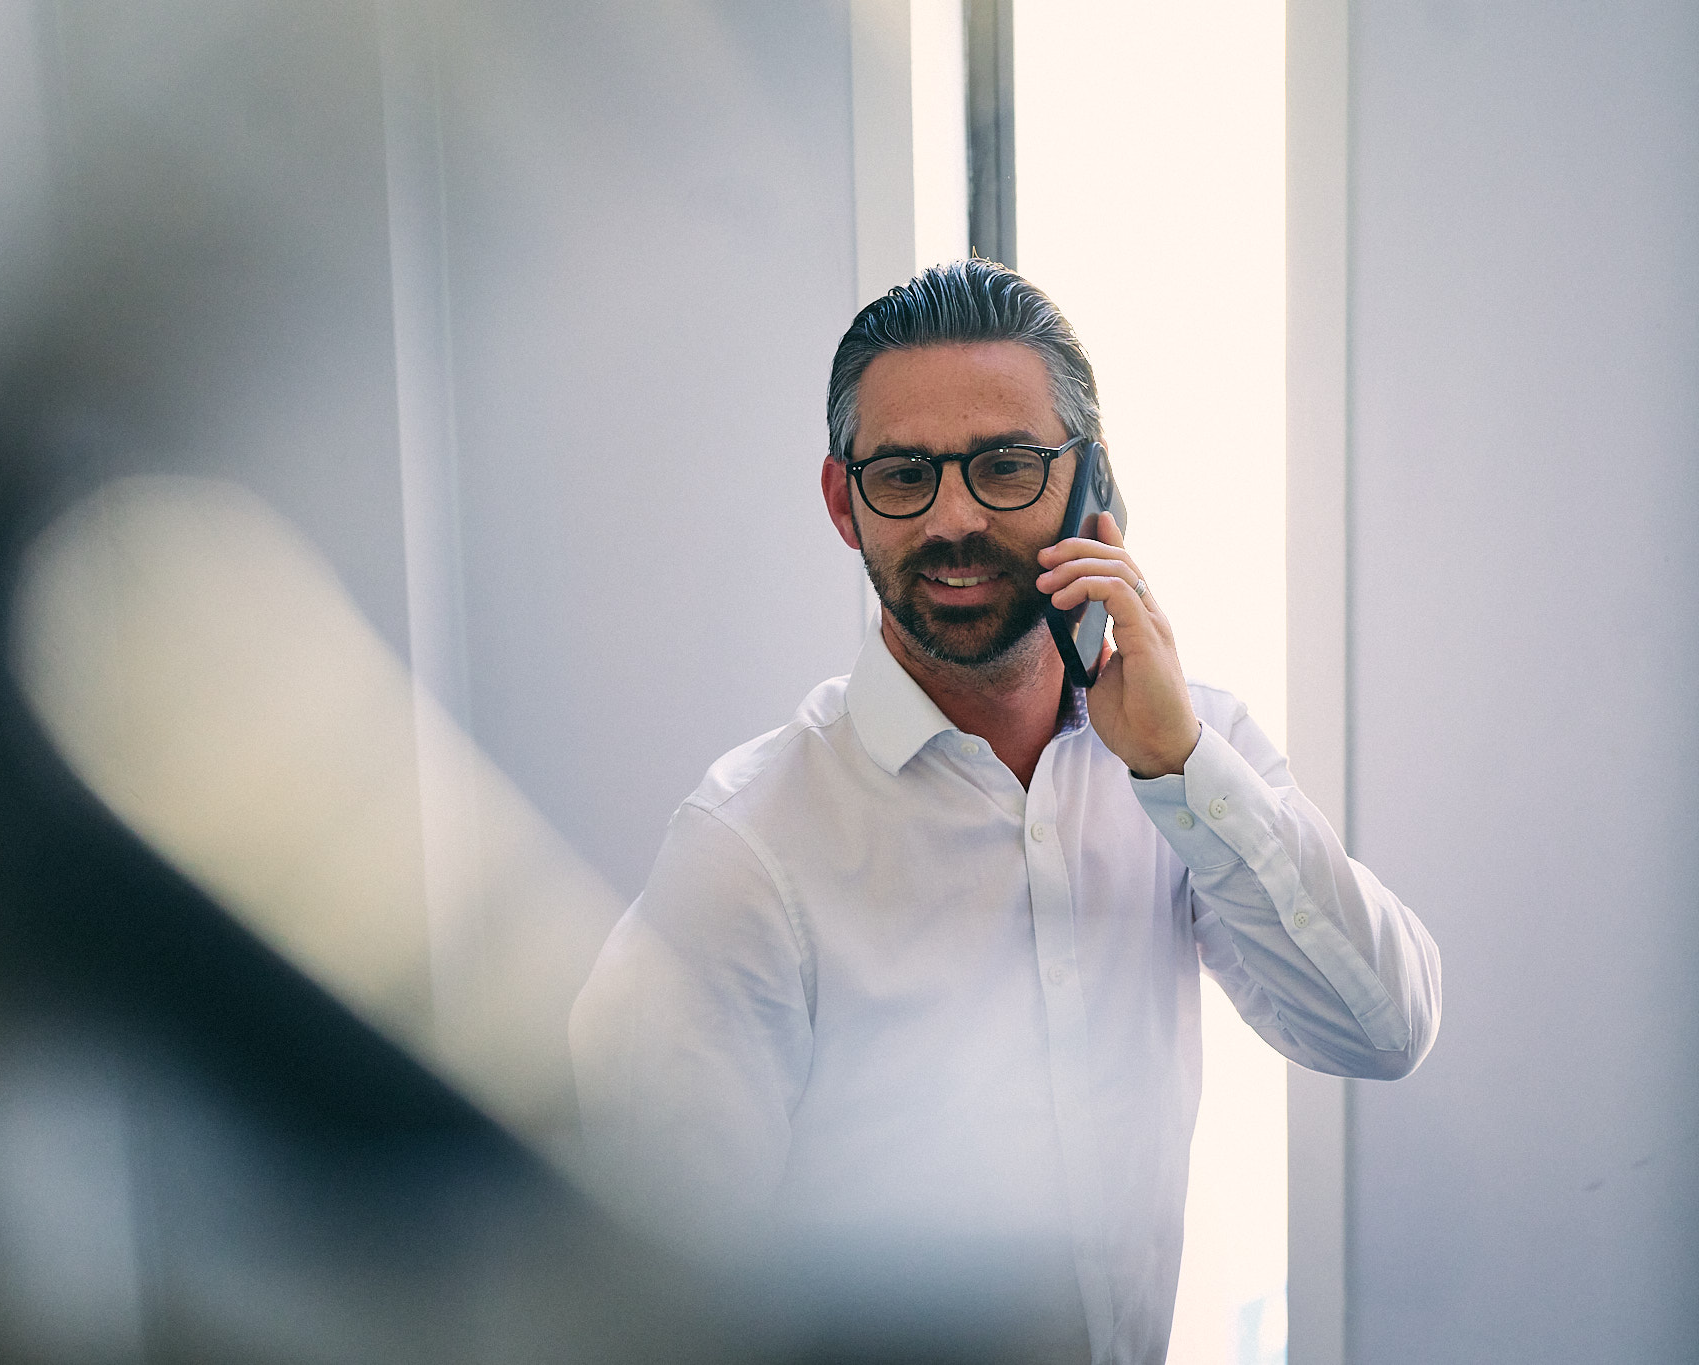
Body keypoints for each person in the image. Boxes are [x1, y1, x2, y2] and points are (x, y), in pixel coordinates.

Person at [568, 260, 1440, 1363]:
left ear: (1095, 489)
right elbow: (654, 1301)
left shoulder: (1188, 756)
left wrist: (1176, 767)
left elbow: (1378, 1030)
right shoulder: (746, 848)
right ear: (844, 504)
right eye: (902, 476)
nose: (953, 519)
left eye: (1006, 467)